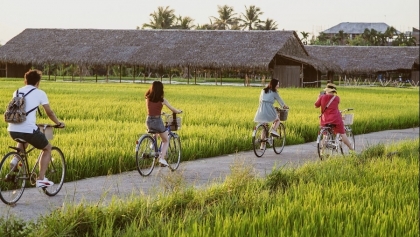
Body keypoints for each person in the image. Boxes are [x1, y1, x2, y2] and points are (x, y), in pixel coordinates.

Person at [7, 69, 65, 188]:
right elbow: (49, 112)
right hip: (27, 130)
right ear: (38, 82)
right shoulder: (40, 93)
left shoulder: (16, 92)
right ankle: (41, 179)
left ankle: (14, 161)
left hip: (12, 129)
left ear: (25, 81)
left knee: (24, 139)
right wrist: (58, 123)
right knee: (47, 148)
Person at [145, 81, 182, 166]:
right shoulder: (162, 100)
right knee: (165, 140)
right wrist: (178, 111)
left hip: (148, 121)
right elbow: (173, 109)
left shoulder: (147, 98)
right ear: (161, 90)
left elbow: (151, 109)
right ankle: (161, 158)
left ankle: (152, 144)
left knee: (155, 131)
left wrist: (159, 112)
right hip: (157, 121)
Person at [314, 83, 354, 151]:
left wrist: (319, 97)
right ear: (333, 91)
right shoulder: (337, 98)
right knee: (342, 133)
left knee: (325, 133)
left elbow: (316, 105)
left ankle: (322, 151)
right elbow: (334, 108)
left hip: (325, 119)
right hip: (335, 119)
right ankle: (352, 149)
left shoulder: (322, 97)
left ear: (327, 90)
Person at [253, 78, 289, 148]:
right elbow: (281, 102)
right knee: (278, 119)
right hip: (269, 109)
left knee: (264, 127)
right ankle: (273, 130)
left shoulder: (263, 90)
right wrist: (285, 107)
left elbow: (260, 100)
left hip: (261, 109)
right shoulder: (275, 93)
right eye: (277, 84)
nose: (278, 86)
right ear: (274, 85)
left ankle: (262, 145)